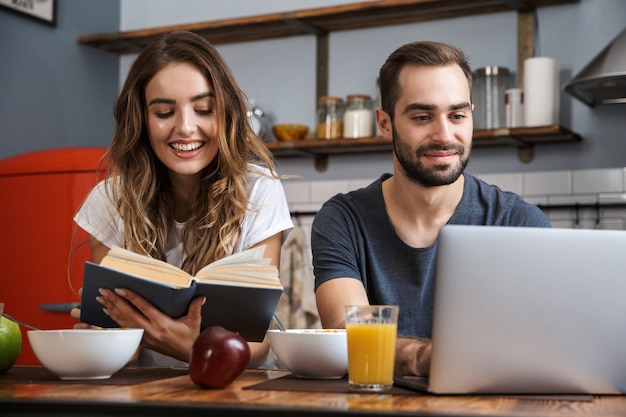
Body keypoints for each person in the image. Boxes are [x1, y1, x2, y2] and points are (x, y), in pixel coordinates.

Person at [310, 41, 551, 377]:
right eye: (423, 116)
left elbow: (543, 341)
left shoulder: (518, 222)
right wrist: (427, 358)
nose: (444, 135)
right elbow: (346, 332)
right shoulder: (342, 220)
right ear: (385, 123)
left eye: (457, 115)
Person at [71, 30, 293, 368]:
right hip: (147, 396)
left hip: (236, 392)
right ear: (142, 120)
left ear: (225, 114)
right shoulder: (109, 201)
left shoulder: (259, 190)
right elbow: (124, 351)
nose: (186, 127)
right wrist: (104, 336)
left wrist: (193, 349)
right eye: (163, 113)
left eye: (204, 109)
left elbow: (256, 343)